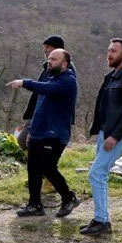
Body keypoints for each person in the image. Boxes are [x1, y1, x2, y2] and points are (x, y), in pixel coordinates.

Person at [6, 49, 80, 217]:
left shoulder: (68, 80)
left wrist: (24, 82)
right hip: (39, 132)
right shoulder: (51, 78)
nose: (50, 61)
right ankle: (35, 205)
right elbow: (40, 109)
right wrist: (32, 130)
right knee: (33, 169)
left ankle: (69, 198)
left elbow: (48, 89)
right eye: (48, 59)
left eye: (54, 59)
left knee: (48, 168)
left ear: (64, 64)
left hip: (55, 134)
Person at [81, 38, 122, 236]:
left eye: (114, 51)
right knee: (101, 175)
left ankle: (101, 221)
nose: (109, 54)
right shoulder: (111, 77)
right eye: (108, 50)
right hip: (104, 133)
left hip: (116, 136)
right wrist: (100, 132)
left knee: (96, 174)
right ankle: (102, 219)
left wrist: (114, 136)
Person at [17, 35, 71, 151]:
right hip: (38, 113)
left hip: (48, 114)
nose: (44, 50)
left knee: (27, 141)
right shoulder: (48, 67)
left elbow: (49, 89)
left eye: (47, 47)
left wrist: (25, 83)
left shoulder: (64, 70)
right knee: (25, 141)